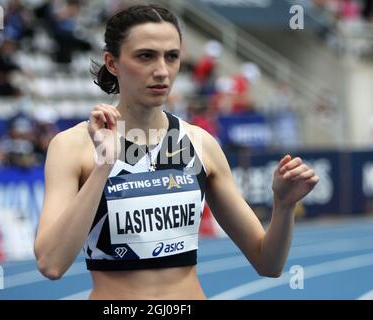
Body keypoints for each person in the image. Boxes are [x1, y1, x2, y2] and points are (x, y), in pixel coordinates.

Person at [34, 4, 319, 300]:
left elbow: (267, 263)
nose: (161, 71)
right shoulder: (72, 146)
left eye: (172, 56)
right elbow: (51, 264)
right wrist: (104, 165)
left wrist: (283, 207)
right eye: (145, 56)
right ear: (112, 63)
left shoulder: (201, 144)